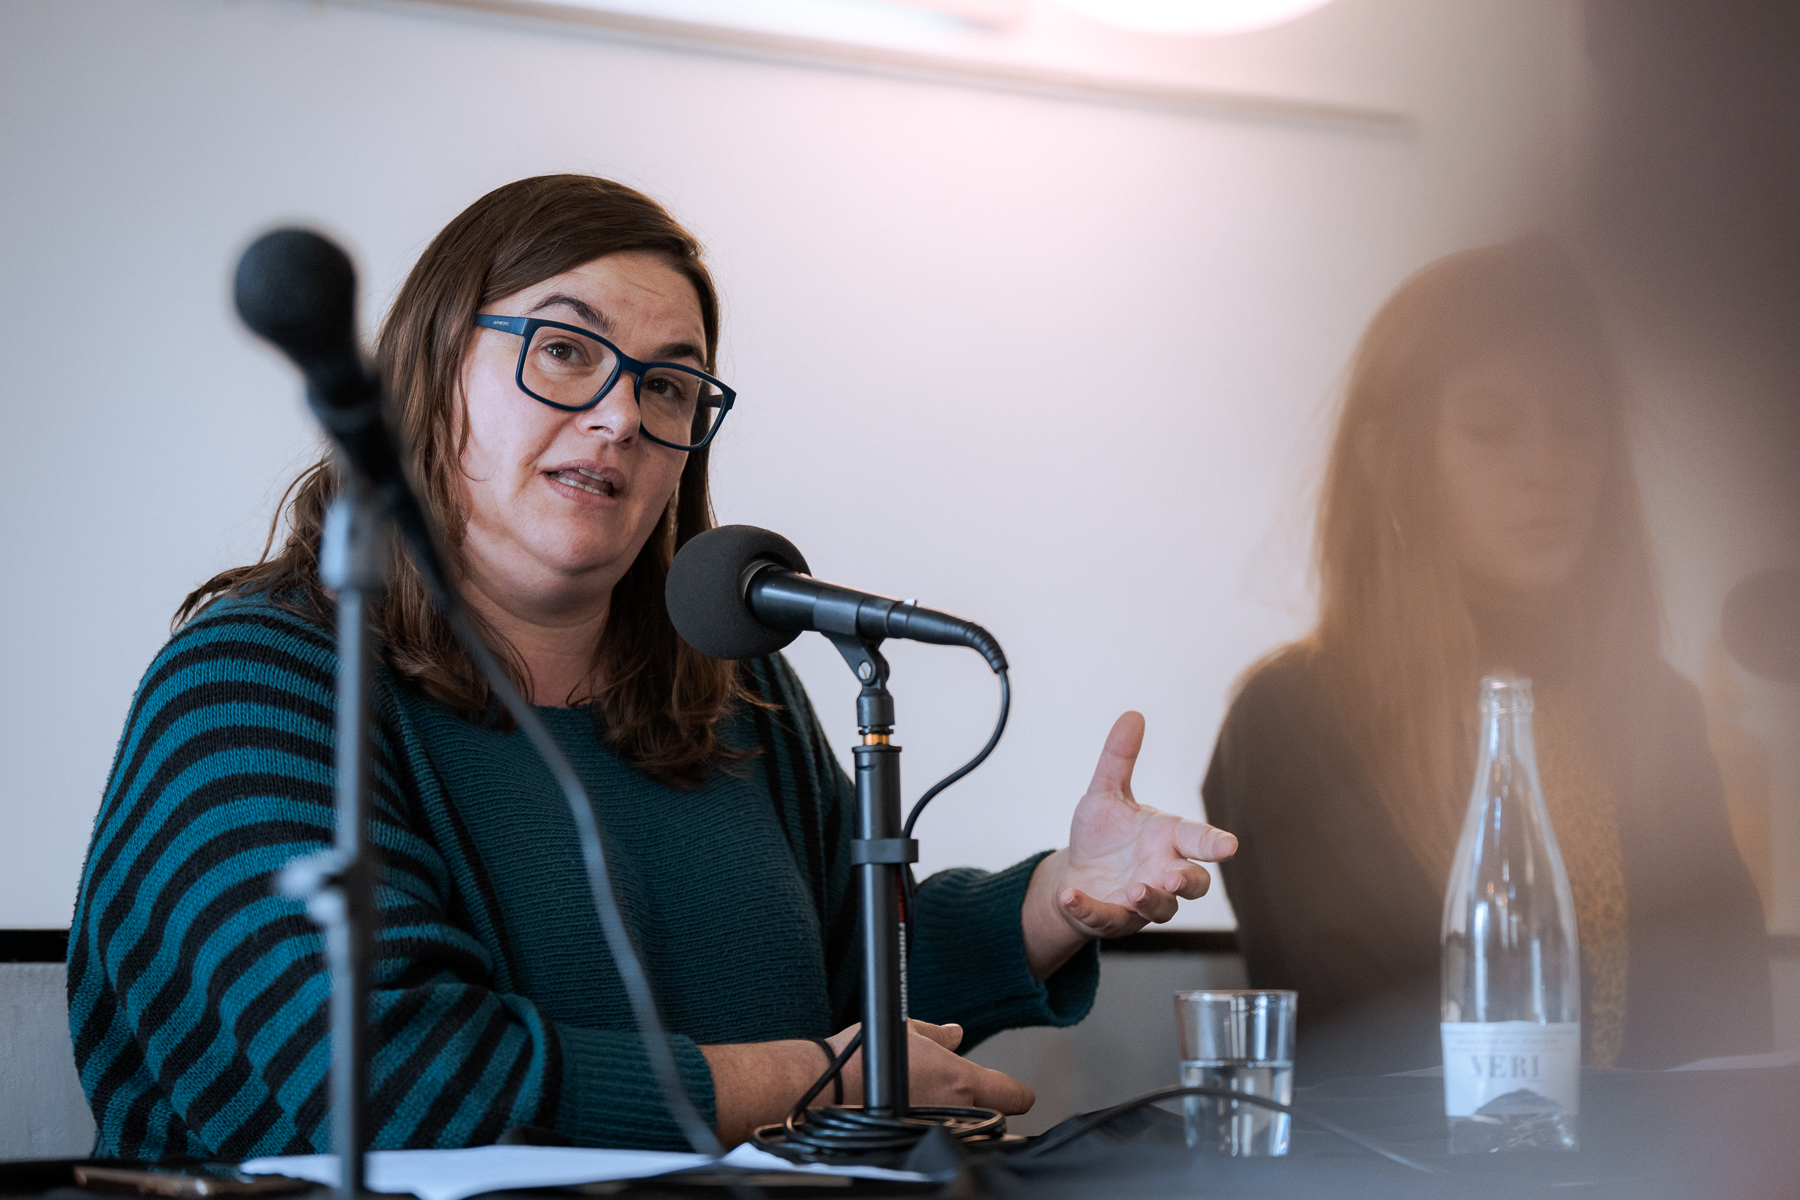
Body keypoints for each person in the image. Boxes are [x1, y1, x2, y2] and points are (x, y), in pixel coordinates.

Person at [68, 174, 1236, 1161]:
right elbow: (393, 1081)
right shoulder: (252, 686)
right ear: (431, 367)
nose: (620, 416)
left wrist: (1056, 899)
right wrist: (806, 1081)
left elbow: (857, 986)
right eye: (565, 351)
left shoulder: (734, 693)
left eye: (668, 384)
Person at [1202, 241, 1771, 1083]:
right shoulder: (1294, 721)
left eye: (1575, 424)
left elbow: (1731, 1034)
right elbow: (1357, 1052)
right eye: (1489, 429)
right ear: (1388, 464)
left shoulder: (1659, 712)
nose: (1546, 467)